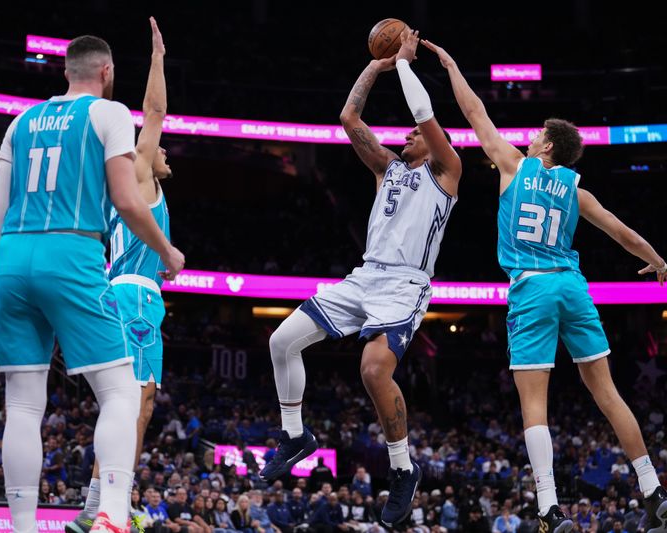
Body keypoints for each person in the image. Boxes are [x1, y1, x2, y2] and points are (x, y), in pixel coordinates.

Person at [422, 37, 667, 533]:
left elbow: (473, 113)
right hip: (573, 287)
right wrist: (659, 261)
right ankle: (654, 491)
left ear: (547, 146)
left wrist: (450, 64)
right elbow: (620, 232)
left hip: (532, 286)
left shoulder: (515, 165)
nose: (530, 137)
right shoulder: (578, 189)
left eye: (536, 134)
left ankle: (549, 510)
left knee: (534, 403)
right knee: (607, 393)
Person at [0, 22, 183, 533]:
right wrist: (167, 251)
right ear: (107, 72)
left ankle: (23, 526)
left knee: (22, 404)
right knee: (124, 393)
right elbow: (129, 193)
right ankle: (109, 512)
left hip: (15, 254)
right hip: (79, 257)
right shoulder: (111, 120)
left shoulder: (20, 120)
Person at [262, 27, 461, 531]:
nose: (409, 134)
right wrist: (379, 65)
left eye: (418, 134)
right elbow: (349, 118)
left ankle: (402, 469)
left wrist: (409, 64)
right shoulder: (387, 169)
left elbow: (424, 116)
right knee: (282, 341)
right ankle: (294, 436)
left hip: (405, 286)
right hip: (364, 277)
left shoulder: (447, 170)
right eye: (411, 135)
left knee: (373, 372)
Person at [68, 18, 175, 533]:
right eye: (155, 149)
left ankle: (100, 502)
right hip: (132, 299)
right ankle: (106, 506)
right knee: (137, 402)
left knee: (132, 405)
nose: (162, 151)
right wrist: (157, 57)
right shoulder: (137, 172)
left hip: (128, 295)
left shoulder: (135, 190)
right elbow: (154, 110)